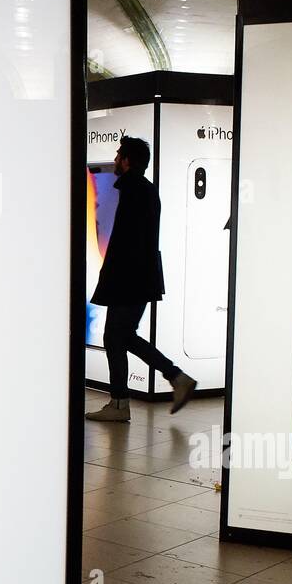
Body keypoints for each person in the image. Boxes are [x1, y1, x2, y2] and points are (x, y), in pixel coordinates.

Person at [87, 136, 197, 422]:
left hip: (129, 279)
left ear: (127, 160)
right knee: (121, 336)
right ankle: (165, 382)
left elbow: (127, 243)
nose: (114, 161)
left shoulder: (135, 190)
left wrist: (111, 277)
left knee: (116, 337)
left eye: (118, 156)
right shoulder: (142, 190)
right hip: (136, 277)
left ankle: (124, 401)